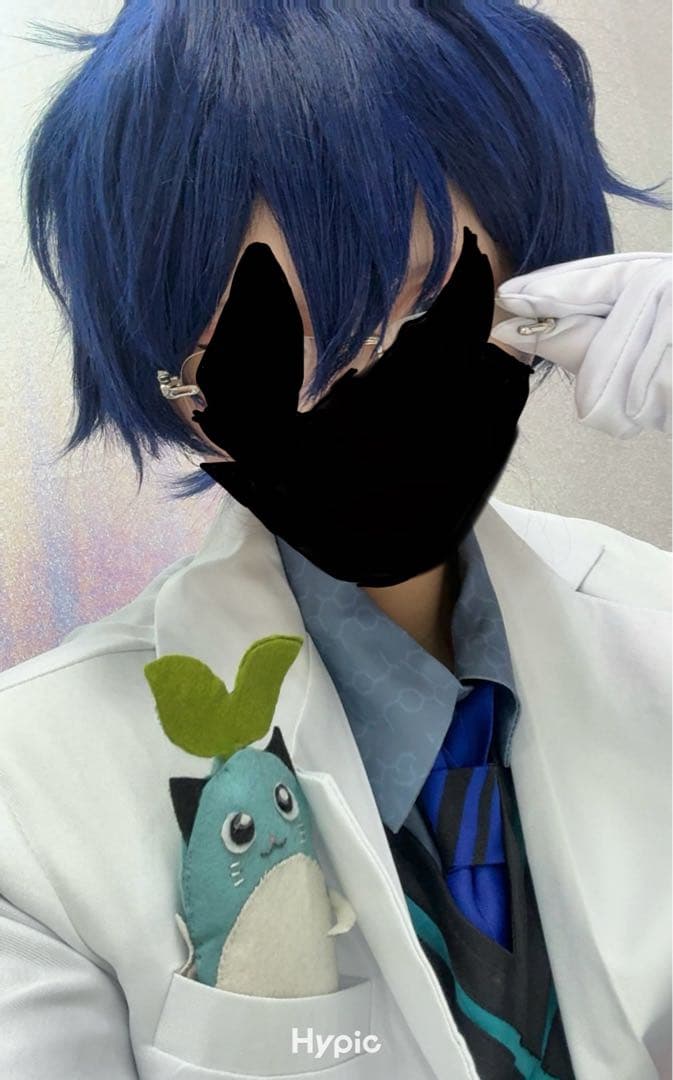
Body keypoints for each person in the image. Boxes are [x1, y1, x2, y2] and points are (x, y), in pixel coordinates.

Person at [0, 4, 670, 1079]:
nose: (361, 401)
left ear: (530, 302)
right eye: (269, 354)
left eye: (420, 311)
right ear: (178, 390)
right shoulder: (29, 794)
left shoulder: (656, 620)